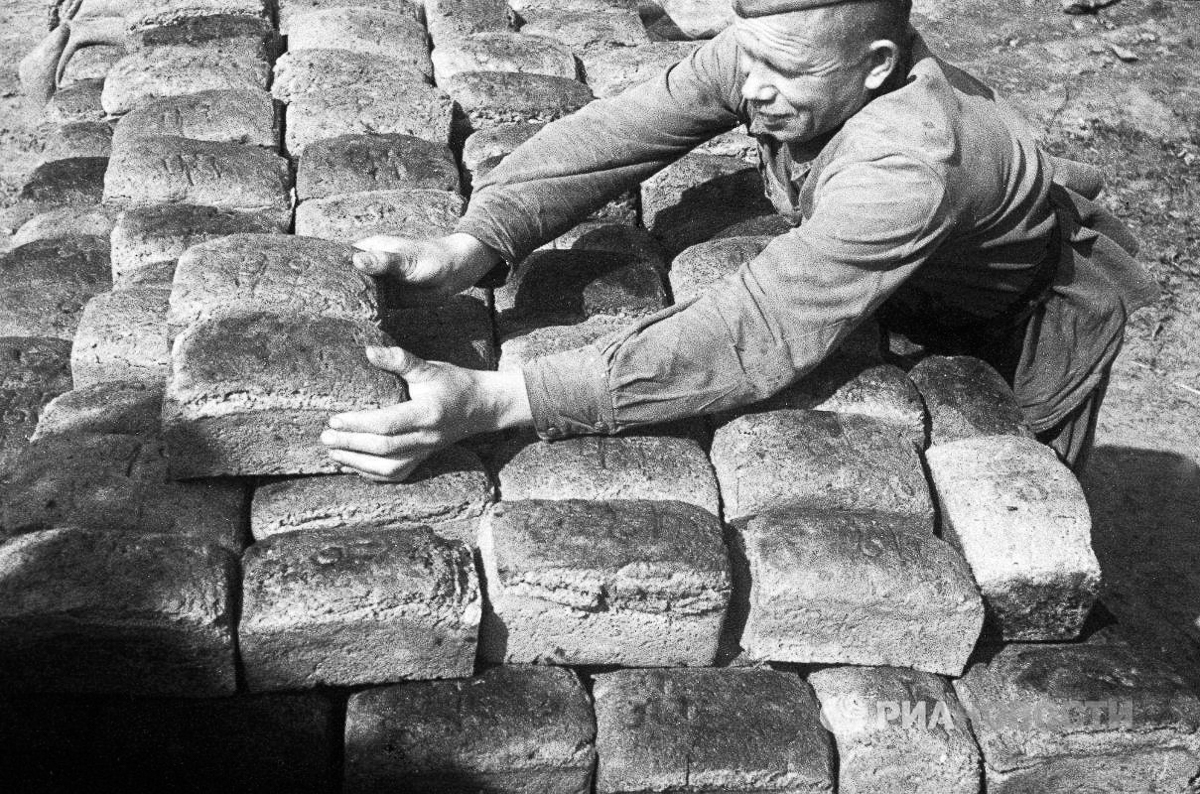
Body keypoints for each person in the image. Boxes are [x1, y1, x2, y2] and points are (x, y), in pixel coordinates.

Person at [320, 0, 1158, 482]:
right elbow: (623, 130)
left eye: (784, 76)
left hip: (1022, 318)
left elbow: (755, 328)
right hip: (903, 271)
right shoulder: (780, 48)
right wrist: (474, 242)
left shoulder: (907, 167)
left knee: (1020, 491)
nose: (752, 89)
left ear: (875, 66)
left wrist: (502, 399)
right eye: (747, 61)